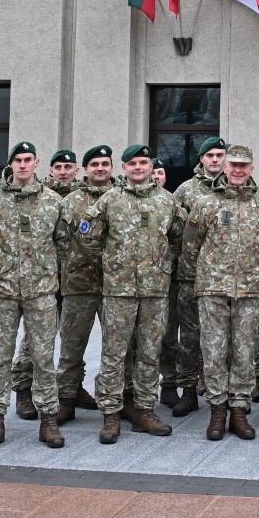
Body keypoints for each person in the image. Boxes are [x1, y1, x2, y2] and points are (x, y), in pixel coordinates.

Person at [0, 141, 73, 450]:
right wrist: (1, 269)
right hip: (2, 291)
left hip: (41, 292)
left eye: (28, 159)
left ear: (37, 162)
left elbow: (64, 243)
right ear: (11, 163)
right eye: (18, 160)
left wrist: (43, 270)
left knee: (43, 357)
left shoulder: (54, 202)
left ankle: (49, 420)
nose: (23, 165)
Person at [85, 144, 179, 443]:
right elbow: (88, 237)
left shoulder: (167, 201)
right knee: (115, 353)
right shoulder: (109, 199)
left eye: (143, 162)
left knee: (150, 353)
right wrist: (112, 264)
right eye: (132, 163)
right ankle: (111, 413)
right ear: (123, 168)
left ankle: (144, 409)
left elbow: (179, 236)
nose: (138, 167)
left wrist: (162, 262)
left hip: (155, 290)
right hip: (119, 292)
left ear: (151, 166)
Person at [185, 144, 259, 440]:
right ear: (224, 166)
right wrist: (210, 273)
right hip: (212, 290)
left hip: (249, 291)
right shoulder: (206, 203)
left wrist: (253, 272)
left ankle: (239, 409)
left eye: (243, 166)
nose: (237, 170)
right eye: (233, 164)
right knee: (213, 351)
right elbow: (190, 245)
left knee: (245, 351)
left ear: (251, 169)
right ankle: (217, 410)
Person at [164, 137, 226, 414]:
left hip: (225, 276)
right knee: (189, 337)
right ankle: (187, 389)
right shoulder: (185, 191)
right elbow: (175, 232)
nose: (215, 160)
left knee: (225, 337)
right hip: (190, 276)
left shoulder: (235, 189)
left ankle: (227, 394)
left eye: (219, 155)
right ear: (201, 159)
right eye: (209, 155)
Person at [54, 144, 116, 423]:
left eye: (105, 164)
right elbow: (59, 240)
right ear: (86, 169)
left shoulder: (121, 198)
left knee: (117, 349)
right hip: (78, 284)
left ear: (112, 168)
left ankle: (116, 400)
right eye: (95, 164)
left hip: (116, 287)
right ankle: (67, 397)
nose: (100, 168)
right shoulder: (71, 201)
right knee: (71, 346)